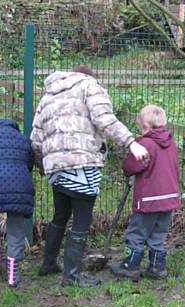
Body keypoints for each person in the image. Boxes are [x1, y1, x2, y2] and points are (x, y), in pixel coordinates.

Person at [31, 66, 149, 288]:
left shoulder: (49, 95)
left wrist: (41, 165)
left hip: (55, 166)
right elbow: (104, 119)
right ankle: (72, 276)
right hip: (82, 162)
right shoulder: (89, 86)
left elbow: (35, 136)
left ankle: (49, 263)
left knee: (61, 215)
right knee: (82, 219)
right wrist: (131, 142)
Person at [111, 105, 180, 281]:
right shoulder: (171, 143)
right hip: (169, 198)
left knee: (137, 233)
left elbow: (131, 166)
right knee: (159, 234)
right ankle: (157, 267)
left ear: (146, 126)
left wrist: (126, 164)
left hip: (149, 199)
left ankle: (130, 265)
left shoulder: (145, 144)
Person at [0, 118, 35, 287]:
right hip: (20, 186)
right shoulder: (23, 139)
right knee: (17, 226)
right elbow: (29, 163)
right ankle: (13, 272)